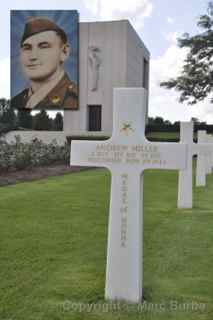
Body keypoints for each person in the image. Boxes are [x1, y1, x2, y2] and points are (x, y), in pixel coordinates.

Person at [11, 17, 78, 110]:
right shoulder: (16, 101)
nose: (33, 56)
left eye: (44, 47)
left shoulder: (74, 100)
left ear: (64, 52)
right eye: (27, 48)